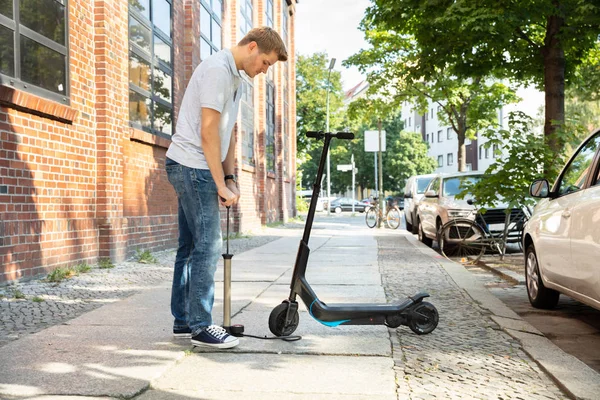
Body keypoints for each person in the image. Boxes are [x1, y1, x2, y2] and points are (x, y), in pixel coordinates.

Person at [165, 27, 288, 349]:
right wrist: (219, 183)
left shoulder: (236, 77)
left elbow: (227, 130)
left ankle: (183, 319)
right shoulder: (218, 70)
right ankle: (201, 326)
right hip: (193, 166)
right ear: (251, 48)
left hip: (197, 166)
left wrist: (230, 176)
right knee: (208, 244)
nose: (265, 70)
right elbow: (207, 130)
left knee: (190, 245)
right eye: (265, 62)